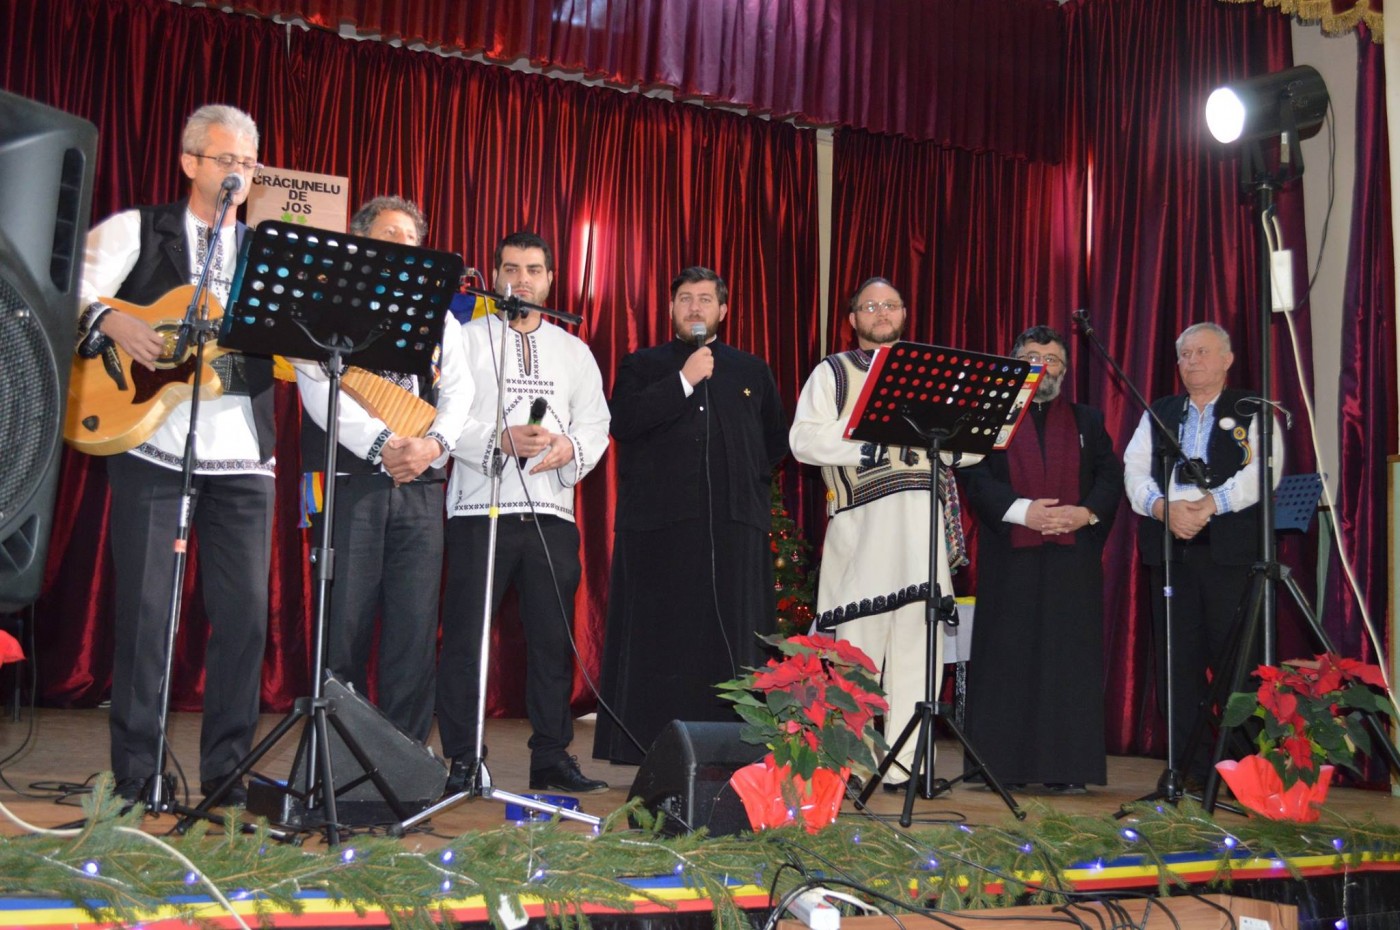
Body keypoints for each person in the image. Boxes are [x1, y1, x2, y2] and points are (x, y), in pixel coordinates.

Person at [74, 105, 272, 807]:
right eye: (225, 160)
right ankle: (137, 778)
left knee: (245, 619)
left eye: (247, 163)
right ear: (190, 162)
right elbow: (65, 281)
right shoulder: (139, 228)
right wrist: (112, 319)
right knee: (146, 613)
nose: (237, 173)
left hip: (244, 456)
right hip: (150, 442)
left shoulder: (267, 253)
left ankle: (226, 777)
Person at [437, 231, 611, 794]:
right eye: (510, 269)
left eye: (533, 270)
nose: (522, 280)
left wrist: (569, 448)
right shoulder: (466, 339)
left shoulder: (573, 349)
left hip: (550, 513)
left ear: (550, 279)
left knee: (552, 642)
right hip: (478, 509)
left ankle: (551, 757)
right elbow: (443, 417)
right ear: (494, 275)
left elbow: (596, 423)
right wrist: (499, 438)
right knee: (466, 641)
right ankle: (464, 759)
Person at [592, 267, 789, 765]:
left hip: (733, 528)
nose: (695, 307)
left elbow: (773, 442)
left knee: (733, 645)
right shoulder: (643, 365)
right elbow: (623, 422)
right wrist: (684, 380)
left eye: (705, 299)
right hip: (659, 530)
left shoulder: (751, 370)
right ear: (671, 308)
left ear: (723, 309)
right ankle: (651, 750)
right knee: (663, 643)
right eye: (685, 298)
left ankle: (738, 751)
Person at [292, 196, 470, 743]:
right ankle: (336, 754)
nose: (403, 246)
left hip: (422, 484)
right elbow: (316, 389)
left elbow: (461, 392)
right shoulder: (329, 304)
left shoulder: (440, 316)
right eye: (389, 235)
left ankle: (405, 758)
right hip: (351, 481)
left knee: (414, 629)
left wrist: (433, 445)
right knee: (343, 622)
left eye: (411, 239)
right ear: (361, 242)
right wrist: (382, 446)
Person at [789, 277, 974, 789]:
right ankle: (848, 765)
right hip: (864, 531)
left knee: (919, 650)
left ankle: (905, 768)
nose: (881, 312)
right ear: (853, 319)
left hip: (922, 530)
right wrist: (876, 440)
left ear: (904, 313)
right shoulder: (833, 372)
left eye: (890, 304)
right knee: (857, 653)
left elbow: (973, 447)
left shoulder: (932, 375)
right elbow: (803, 440)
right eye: (870, 306)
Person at [959, 325, 1122, 793]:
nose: (1042, 367)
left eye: (1051, 360)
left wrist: (1084, 513)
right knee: (1007, 660)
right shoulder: (990, 418)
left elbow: (1109, 478)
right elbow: (975, 477)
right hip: (1011, 559)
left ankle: (1067, 770)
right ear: (1014, 365)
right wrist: (1022, 511)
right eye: (1031, 357)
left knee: (1067, 665)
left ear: (1064, 370)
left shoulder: (1088, 420)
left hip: (1073, 564)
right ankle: (1001, 768)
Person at [1123, 322, 1283, 780]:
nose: (1191, 361)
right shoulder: (1159, 411)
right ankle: (1187, 769)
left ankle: (1250, 772)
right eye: (1185, 354)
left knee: (1241, 664)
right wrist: (1162, 508)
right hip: (1171, 554)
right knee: (1177, 664)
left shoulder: (1253, 408)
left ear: (1227, 360)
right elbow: (1134, 469)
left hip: (1231, 555)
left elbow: (1263, 472)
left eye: (1202, 352)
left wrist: (1211, 504)